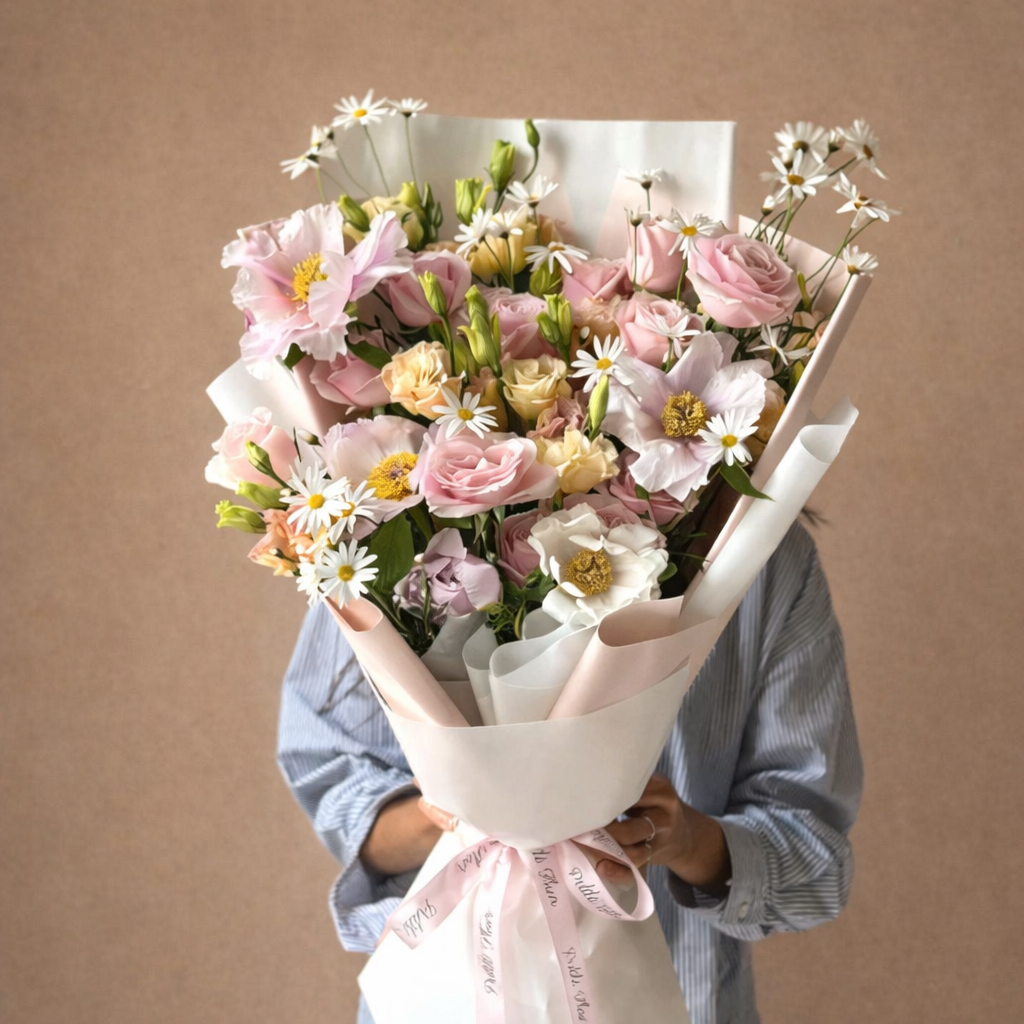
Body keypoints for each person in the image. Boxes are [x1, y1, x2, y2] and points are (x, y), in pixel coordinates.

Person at [277, 522, 863, 1024]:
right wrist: (451, 811)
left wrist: (687, 842)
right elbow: (330, 769)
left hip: (684, 995)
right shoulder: (384, 537)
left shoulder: (764, 550)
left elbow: (816, 863)